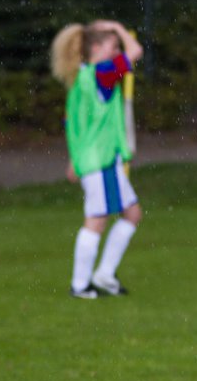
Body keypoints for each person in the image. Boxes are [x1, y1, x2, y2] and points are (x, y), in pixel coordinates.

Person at [50, 19, 145, 299]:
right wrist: (119, 27)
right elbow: (136, 51)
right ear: (96, 47)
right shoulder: (102, 73)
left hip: (98, 159)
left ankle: (103, 275)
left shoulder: (81, 78)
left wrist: (74, 159)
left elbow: (73, 123)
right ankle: (80, 285)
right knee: (96, 219)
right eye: (113, 46)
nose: (118, 52)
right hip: (101, 160)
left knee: (132, 214)